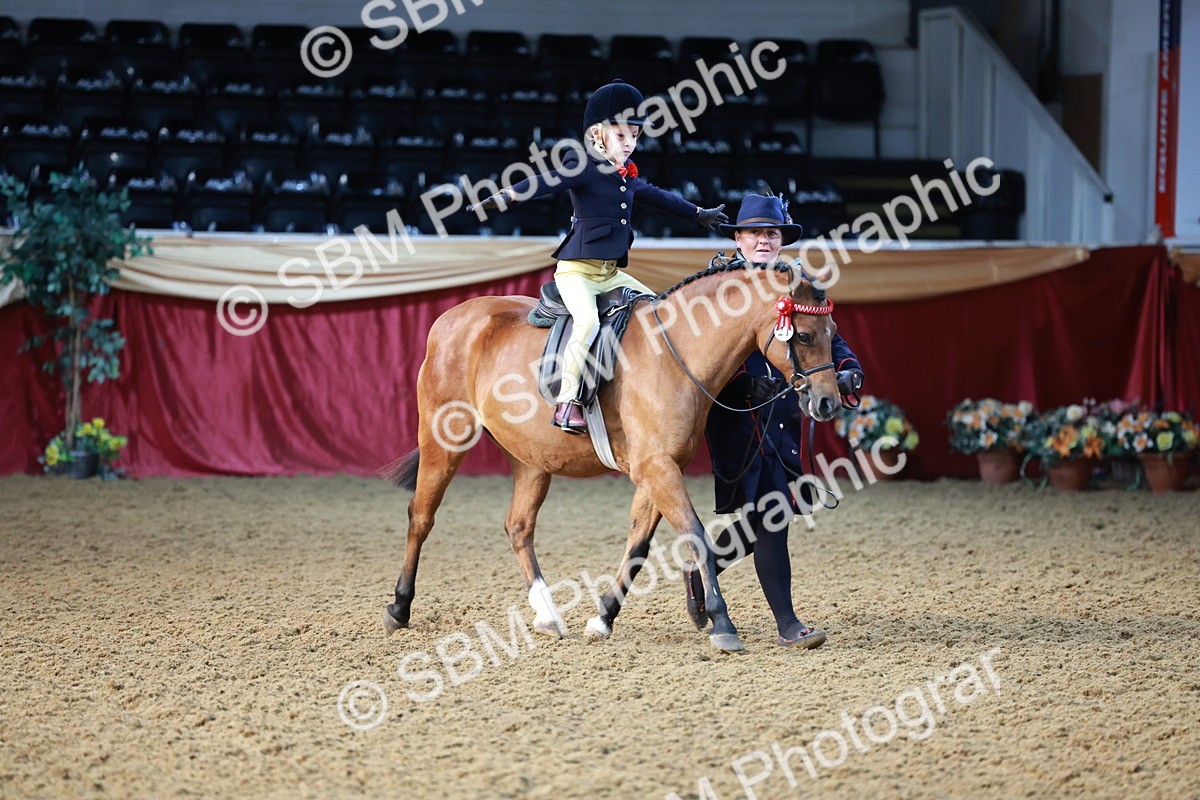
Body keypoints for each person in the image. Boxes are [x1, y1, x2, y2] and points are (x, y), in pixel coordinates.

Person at [466, 79, 729, 434]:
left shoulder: (628, 177)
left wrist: (699, 214)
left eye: (634, 136)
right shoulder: (583, 166)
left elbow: (660, 197)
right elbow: (547, 180)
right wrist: (506, 196)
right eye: (621, 136)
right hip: (576, 271)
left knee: (657, 311)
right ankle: (567, 402)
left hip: (610, 272)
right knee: (587, 323)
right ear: (597, 134)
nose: (630, 144)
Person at [685, 194, 865, 649]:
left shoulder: (799, 282)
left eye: (772, 233)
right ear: (739, 238)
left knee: (767, 514)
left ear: (781, 239)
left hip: (784, 411)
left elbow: (823, 336)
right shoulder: (718, 286)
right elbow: (701, 356)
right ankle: (788, 625)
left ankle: (703, 566)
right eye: (755, 233)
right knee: (774, 517)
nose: (764, 240)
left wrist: (848, 365)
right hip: (740, 414)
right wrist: (745, 386)